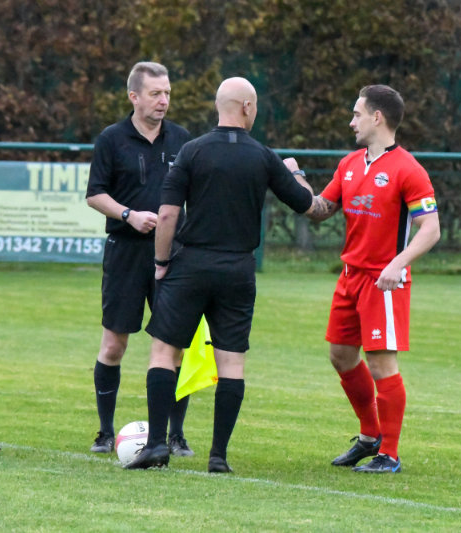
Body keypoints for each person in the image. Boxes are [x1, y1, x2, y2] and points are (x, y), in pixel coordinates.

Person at [125, 77, 314, 472]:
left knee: (164, 353)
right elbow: (306, 204)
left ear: (219, 106)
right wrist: (295, 172)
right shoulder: (264, 157)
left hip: (191, 264)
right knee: (231, 362)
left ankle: (156, 445)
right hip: (238, 269)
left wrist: (161, 263)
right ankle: (218, 457)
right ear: (247, 107)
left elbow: (168, 214)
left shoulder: (192, 151)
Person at [298, 85, 440, 473]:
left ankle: (389, 454)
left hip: (383, 282)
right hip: (350, 277)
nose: (351, 122)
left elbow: (430, 229)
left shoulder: (408, 169)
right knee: (341, 356)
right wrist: (294, 178)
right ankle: (369, 436)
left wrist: (398, 264)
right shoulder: (349, 164)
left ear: (377, 117)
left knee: (381, 365)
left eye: (356, 114)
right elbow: (319, 209)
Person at [85, 62, 195, 456]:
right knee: (114, 343)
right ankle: (104, 432)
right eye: (155, 93)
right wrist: (129, 214)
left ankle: (175, 435)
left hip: (174, 255)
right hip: (126, 252)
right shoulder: (111, 139)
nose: (163, 100)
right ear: (134, 96)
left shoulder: (182, 140)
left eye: (167, 93)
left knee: (173, 346)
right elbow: (95, 194)